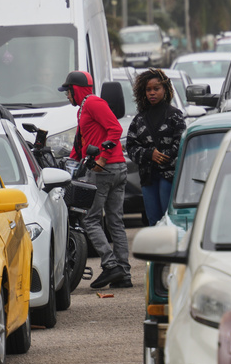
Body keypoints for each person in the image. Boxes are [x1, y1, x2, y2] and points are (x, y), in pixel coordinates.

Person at [60, 70, 132, 289]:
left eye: (68, 91)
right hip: (115, 168)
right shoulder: (84, 109)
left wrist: (102, 157)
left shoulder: (93, 103)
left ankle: (111, 265)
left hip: (105, 169)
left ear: (76, 90)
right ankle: (123, 274)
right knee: (114, 220)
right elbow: (80, 145)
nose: (66, 96)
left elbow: (115, 129)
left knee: (90, 219)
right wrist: (68, 163)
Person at [126, 68, 186, 226]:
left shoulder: (175, 115)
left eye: (156, 88)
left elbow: (181, 143)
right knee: (153, 221)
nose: (152, 92)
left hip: (169, 176)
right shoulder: (139, 119)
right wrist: (148, 154)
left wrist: (163, 157)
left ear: (165, 89)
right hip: (148, 178)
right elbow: (131, 146)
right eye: (148, 89)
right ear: (143, 92)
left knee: (169, 220)